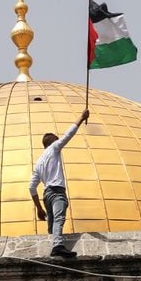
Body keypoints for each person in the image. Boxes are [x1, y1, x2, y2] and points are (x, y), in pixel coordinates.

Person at [29, 109, 90, 258]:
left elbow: (31, 187)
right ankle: (57, 246)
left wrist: (39, 208)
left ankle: (54, 241)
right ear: (54, 142)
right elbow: (68, 135)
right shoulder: (54, 148)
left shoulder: (38, 163)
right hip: (56, 192)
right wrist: (81, 118)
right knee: (59, 218)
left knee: (52, 223)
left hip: (46, 195)